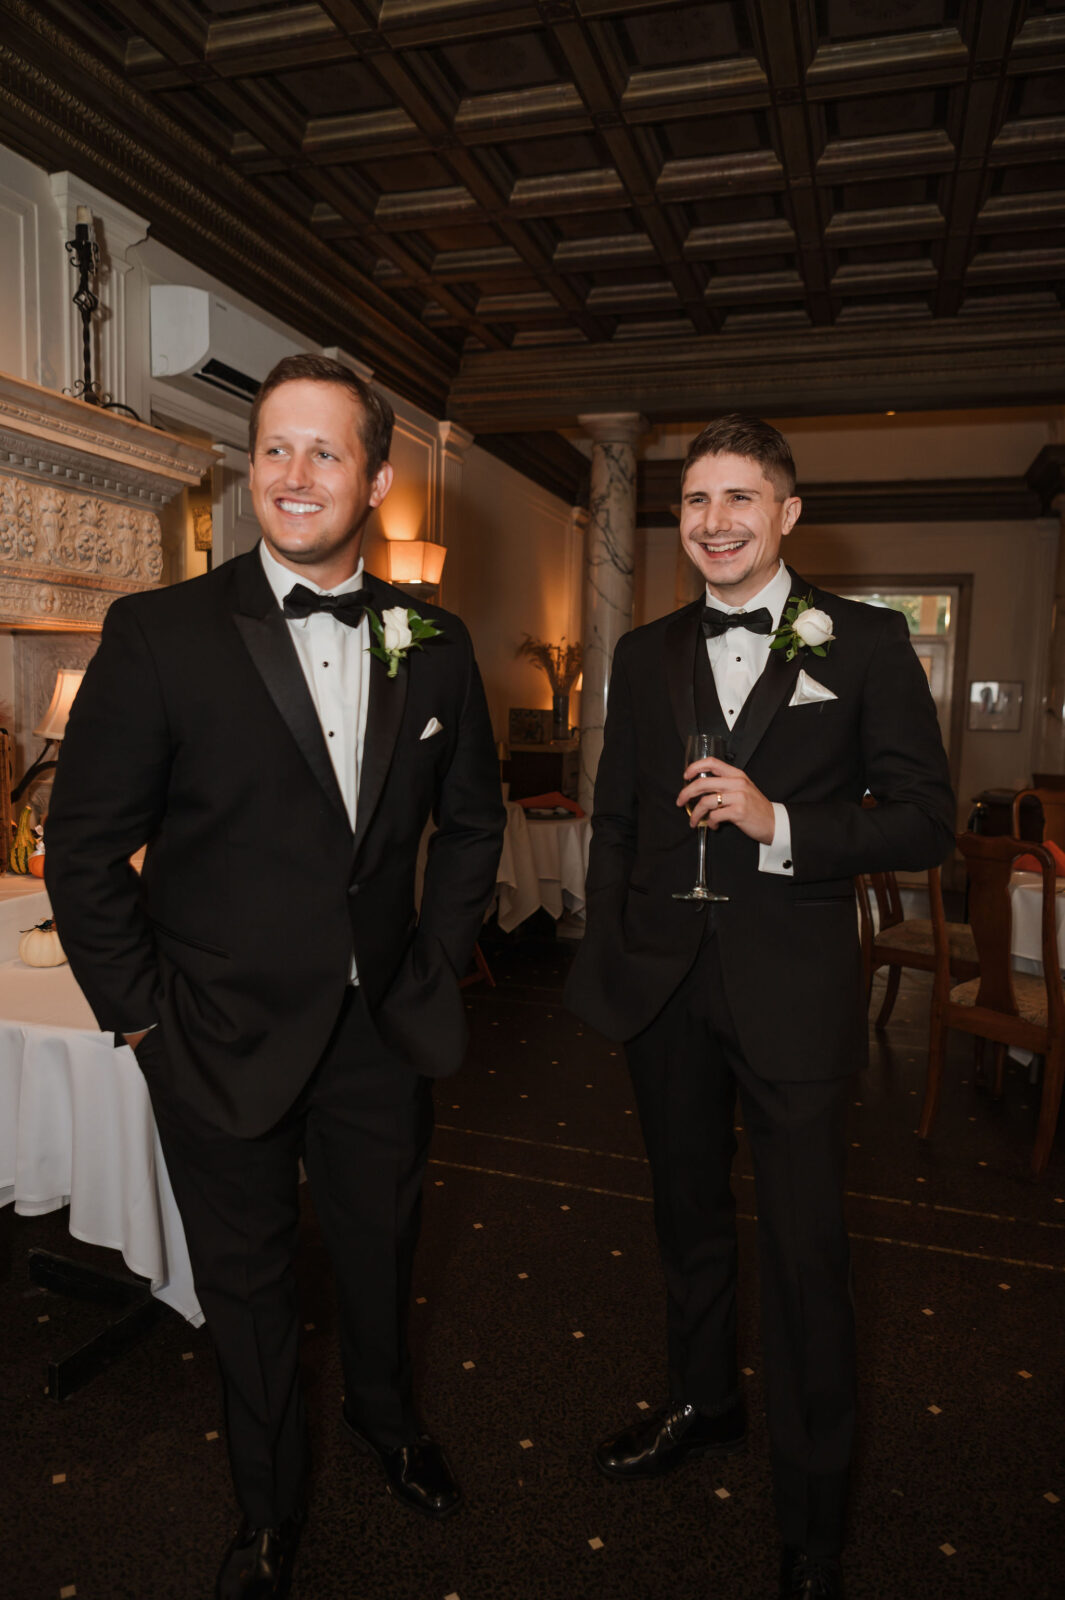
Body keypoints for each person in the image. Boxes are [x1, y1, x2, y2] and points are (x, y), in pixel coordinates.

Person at [45, 354, 505, 1600]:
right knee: (243, 1290)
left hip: (381, 1032)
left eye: (324, 453)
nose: (293, 478)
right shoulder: (160, 633)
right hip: (215, 1035)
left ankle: (387, 1418)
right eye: (273, 451)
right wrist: (143, 1022)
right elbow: (81, 852)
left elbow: (471, 823)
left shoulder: (438, 643)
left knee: (380, 1249)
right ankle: (265, 1503)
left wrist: (427, 964)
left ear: (378, 479)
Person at [564, 415, 955, 1600]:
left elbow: (927, 819)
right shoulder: (645, 651)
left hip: (794, 994)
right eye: (696, 501)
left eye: (743, 498)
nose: (716, 521)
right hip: (664, 986)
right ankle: (702, 1401)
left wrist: (780, 822)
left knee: (804, 1254)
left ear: (787, 513)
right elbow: (622, 819)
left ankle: (813, 1516)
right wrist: (606, 957)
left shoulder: (871, 642)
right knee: (685, 1222)